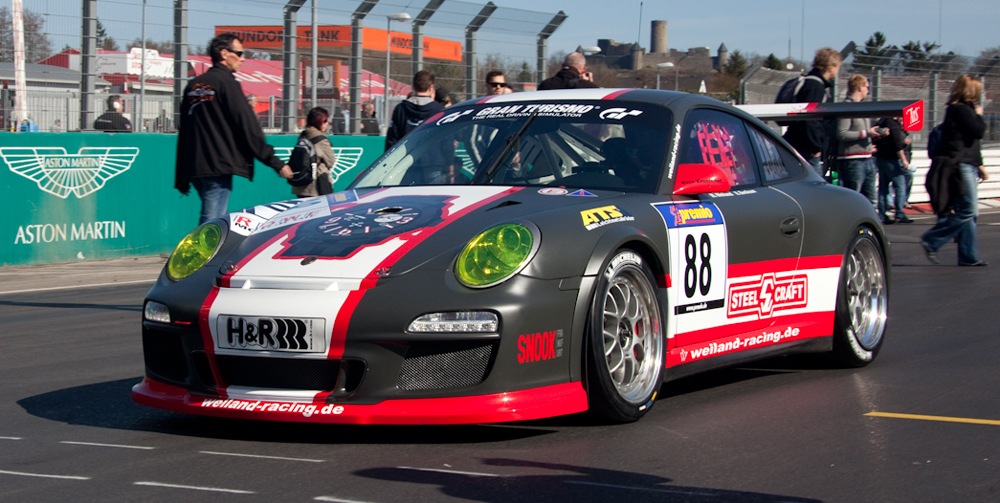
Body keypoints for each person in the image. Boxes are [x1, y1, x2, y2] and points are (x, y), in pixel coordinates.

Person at [175, 33, 292, 225]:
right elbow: (248, 126)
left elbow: (185, 132)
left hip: (195, 166)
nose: (243, 58)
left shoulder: (193, 85)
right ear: (224, 53)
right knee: (211, 223)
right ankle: (202, 255)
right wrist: (275, 163)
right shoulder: (227, 83)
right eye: (239, 53)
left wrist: (181, 176)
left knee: (221, 220)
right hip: (217, 166)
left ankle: (223, 254)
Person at [922, 74, 988, 267]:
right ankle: (932, 239)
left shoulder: (959, 110)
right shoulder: (961, 110)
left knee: (965, 212)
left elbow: (971, 144)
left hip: (966, 163)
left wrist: (980, 165)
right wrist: (979, 115)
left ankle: (968, 256)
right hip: (961, 165)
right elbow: (978, 132)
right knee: (968, 210)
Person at [783, 48, 841, 176]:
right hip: (807, 149)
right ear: (831, 66)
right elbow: (811, 118)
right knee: (815, 189)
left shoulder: (809, 82)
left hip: (799, 144)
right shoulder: (815, 87)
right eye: (837, 66)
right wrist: (815, 147)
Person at [836, 74, 885, 204]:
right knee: (853, 200)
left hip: (867, 158)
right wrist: (866, 133)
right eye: (867, 87)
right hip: (852, 160)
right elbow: (842, 134)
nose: (868, 91)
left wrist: (872, 139)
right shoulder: (846, 107)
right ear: (860, 87)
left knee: (871, 201)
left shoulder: (861, 107)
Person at [385, 70, 444, 150]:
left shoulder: (401, 109)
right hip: (433, 160)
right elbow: (445, 139)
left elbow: (392, 139)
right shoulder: (439, 110)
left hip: (406, 159)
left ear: (413, 86)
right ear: (431, 87)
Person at [874, 116, 914, 224]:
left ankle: (882, 214)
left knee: (883, 188)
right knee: (900, 186)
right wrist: (904, 160)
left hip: (881, 158)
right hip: (892, 159)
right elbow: (897, 145)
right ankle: (899, 213)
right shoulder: (894, 126)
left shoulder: (880, 122)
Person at [293, 107, 337, 198]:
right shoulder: (321, 140)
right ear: (318, 122)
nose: (327, 124)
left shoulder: (303, 135)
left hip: (300, 184)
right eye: (325, 121)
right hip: (316, 187)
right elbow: (330, 161)